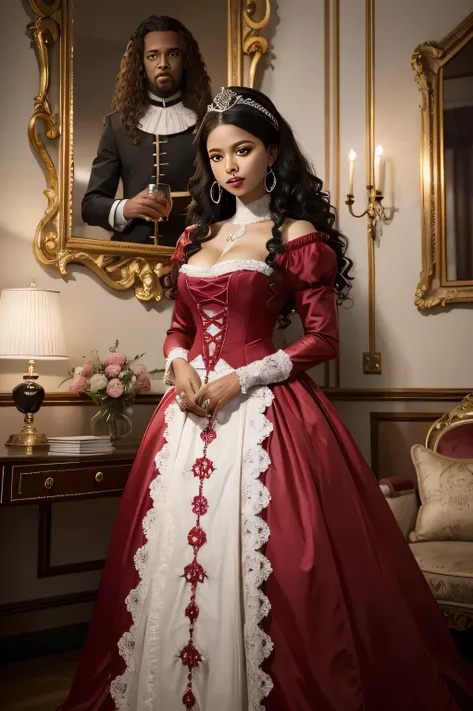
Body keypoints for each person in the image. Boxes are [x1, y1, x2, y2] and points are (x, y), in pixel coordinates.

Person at [60, 87, 473, 711]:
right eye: (217, 154)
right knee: (165, 554)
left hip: (263, 410)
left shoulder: (298, 234)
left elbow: (322, 339)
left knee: (281, 564)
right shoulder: (196, 235)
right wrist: (178, 365)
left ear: (272, 152)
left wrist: (242, 377)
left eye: (244, 149)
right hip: (186, 416)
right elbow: (179, 326)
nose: (230, 165)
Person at [81, 15, 212, 246]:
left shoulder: (209, 121)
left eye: (172, 54)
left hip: (196, 255)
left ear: (185, 59)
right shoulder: (116, 125)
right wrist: (126, 207)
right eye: (153, 55)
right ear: (141, 64)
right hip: (131, 257)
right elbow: (91, 206)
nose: (163, 63)